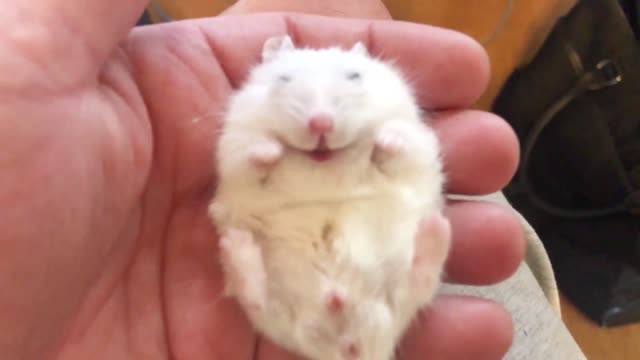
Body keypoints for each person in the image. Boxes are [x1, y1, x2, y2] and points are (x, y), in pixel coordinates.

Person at [0, 0, 532, 359]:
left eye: (351, 79)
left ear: (365, 69)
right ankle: (268, 288)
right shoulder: (247, 125)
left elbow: (419, 169)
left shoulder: (389, 109)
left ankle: (412, 277)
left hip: (371, 238)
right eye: (285, 83)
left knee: (411, 251)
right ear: (264, 74)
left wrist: (393, 150)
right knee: (259, 252)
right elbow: (235, 193)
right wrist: (256, 162)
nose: (320, 120)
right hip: (294, 261)